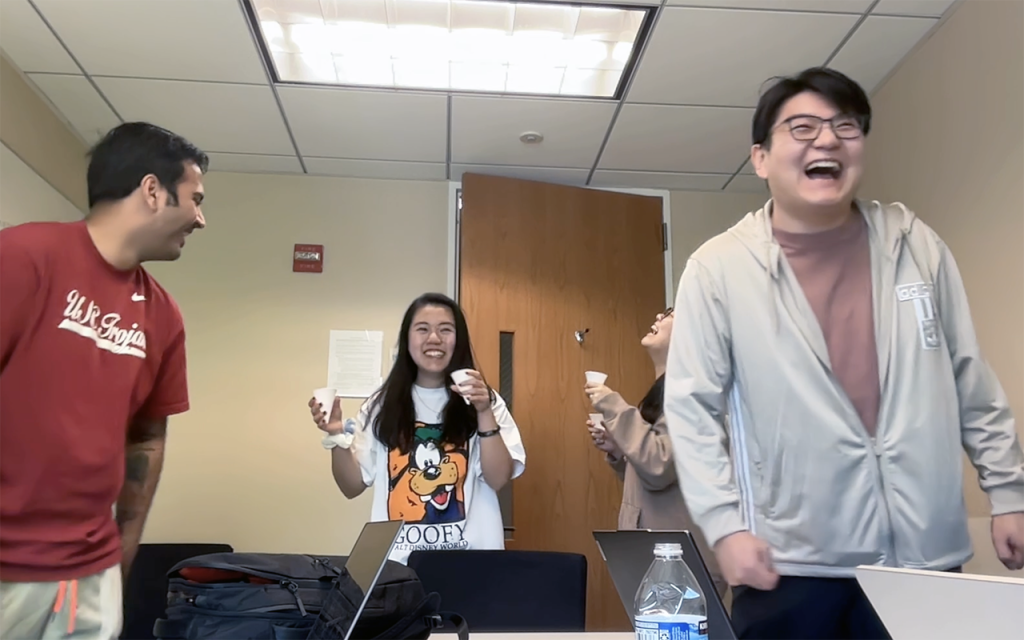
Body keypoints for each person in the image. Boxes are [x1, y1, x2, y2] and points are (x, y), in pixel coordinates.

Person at [663, 66, 1024, 640]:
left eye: (845, 126)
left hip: (923, 559)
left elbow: (968, 379)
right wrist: (725, 527)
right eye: (802, 127)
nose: (827, 140)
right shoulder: (719, 267)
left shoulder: (917, 246)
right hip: (790, 566)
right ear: (760, 158)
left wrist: (1007, 492)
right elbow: (690, 411)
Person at [0, 122, 208, 639]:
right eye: (195, 199)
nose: (201, 219)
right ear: (153, 191)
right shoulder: (23, 257)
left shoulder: (162, 314)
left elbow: (147, 437)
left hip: (89, 572)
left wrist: (123, 552)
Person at [309, 292, 526, 563]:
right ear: (407, 339)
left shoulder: (485, 399)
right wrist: (335, 433)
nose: (434, 339)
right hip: (399, 565)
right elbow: (351, 486)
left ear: (458, 340)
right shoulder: (380, 405)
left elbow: (498, 479)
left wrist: (483, 411)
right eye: (422, 329)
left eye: (445, 330)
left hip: (474, 564)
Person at [585, 307, 727, 599]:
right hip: (655, 559)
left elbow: (659, 465)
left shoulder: (694, 397)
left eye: (670, 315)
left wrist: (612, 405)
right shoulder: (665, 394)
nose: (657, 318)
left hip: (682, 566)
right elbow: (653, 473)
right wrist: (620, 451)